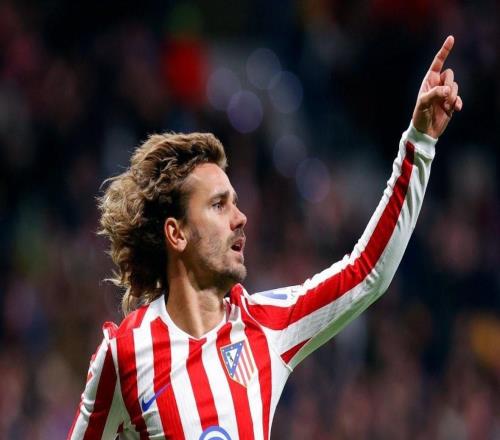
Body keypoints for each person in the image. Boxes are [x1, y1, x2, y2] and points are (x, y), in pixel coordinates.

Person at [68, 36, 462, 440]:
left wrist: (420, 142)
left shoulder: (263, 325)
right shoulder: (125, 354)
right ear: (177, 233)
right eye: (219, 205)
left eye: (236, 203)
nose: (241, 218)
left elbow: (366, 273)